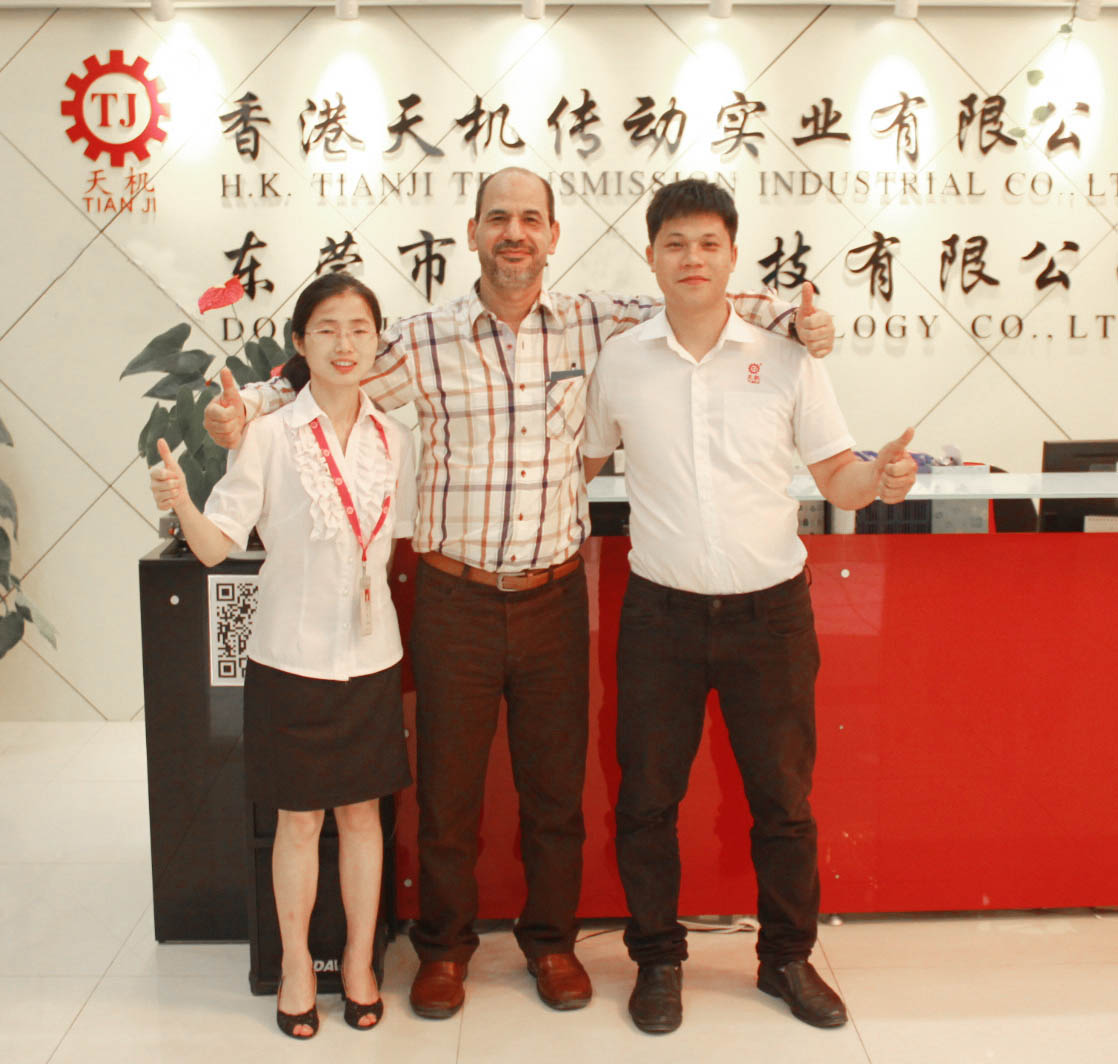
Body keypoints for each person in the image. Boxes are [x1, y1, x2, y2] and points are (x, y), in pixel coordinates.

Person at [202, 167, 838, 1020]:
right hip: (455, 599)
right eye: (498, 218)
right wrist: (244, 408)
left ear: (552, 235)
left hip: (551, 598)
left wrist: (796, 317)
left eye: (531, 219)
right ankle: (444, 950)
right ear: (472, 233)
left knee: (553, 792)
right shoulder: (424, 339)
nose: (515, 233)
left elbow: (700, 294)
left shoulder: (594, 322)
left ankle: (551, 944)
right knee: (449, 793)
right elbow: (327, 370)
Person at [582, 178, 917, 1035]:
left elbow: (836, 474)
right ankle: (657, 960)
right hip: (659, 616)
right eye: (675, 244)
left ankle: (786, 959)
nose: (692, 258)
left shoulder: (787, 356)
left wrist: (879, 479)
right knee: (646, 799)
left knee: (783, 801)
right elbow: (577, 464)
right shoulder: (622, 361)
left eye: (708, 244)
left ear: (734, 256)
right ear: (651, 257)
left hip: (771, 615)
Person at [151, 273, 417, 1039]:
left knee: (363, 817)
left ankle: (360, 962)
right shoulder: (269, 434)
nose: (344, 343)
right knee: (298, 821)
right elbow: (216, 549)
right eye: (327, 328)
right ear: (300, 342)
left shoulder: (394, 439)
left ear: (377, 342)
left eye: (359, 328)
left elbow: (392, 544)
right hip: (290, 659)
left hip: (372, 656)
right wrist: (181, 500)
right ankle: (298, 966)